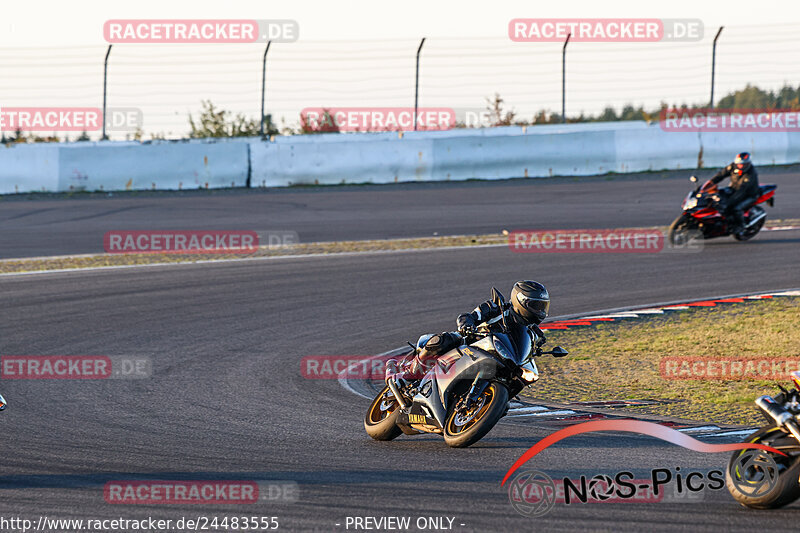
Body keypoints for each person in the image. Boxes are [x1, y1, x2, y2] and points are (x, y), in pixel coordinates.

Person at [393, 281, 550, 382]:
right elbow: (470, 316)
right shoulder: (498, 308)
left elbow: (528, 351)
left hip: (498, 359)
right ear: (520, 301)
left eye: (543, 307)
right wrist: (467, 324)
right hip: (470, 343)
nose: (540, 311)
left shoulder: (533, 333)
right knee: (441, 341)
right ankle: (410, 374)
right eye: (536, 306)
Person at [710, 152, 760, 234]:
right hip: (734, 189)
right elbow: (722, 174)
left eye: (743, 165)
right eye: (739, 164)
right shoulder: (733, 166)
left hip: (748, 194)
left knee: (736, 208)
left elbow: (741, 191)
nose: (740, 166)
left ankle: (741, 226)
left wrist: (728, 203)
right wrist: (711, 182)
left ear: (747, 164)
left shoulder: (750, 174)